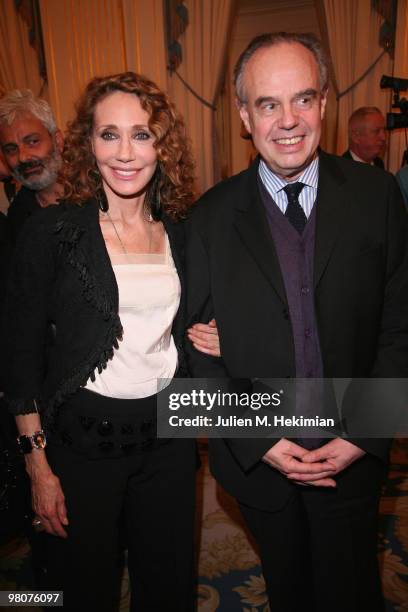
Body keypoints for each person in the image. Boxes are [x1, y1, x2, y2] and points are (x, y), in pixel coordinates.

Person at [186, 32, 408, 612]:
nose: (288, 120)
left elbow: (399, 327)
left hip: (352, 457)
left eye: (303, 99)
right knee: (288, 592)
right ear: (243, 114)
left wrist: (362, 433)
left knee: (352, 591)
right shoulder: (207, 218)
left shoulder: (377, 197)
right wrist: (259, 438)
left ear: (325, 103)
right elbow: (195, 356)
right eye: (267, 103)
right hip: (260, 468)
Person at [3, 72, 219, 612]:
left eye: (142, 135)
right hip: (83, 444)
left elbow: (191, 319)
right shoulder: (53, 231)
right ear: (87, 143)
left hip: (168, 439)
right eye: (109, 135)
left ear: (162, 146)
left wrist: (213, 334)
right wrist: (37, 465)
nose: (125, 153)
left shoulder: (182, 231)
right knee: (84, 589)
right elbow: (21, 357)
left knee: (169, 586)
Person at [0, 89, 63, 242]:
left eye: (33, 141)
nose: (22, 157)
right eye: (11, 149)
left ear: (57, 141)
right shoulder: (18, 217)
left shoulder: (98, 188)